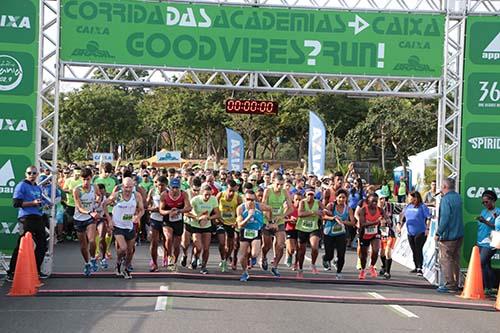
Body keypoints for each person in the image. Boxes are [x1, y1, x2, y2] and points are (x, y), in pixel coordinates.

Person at [7, 166, 49, 281]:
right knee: (21, 245)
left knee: (42, 245)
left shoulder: (37, 187)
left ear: (37, 174)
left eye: (34, 173)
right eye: (29, 173)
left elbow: (39, 202)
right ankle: (11, 272)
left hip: (38, 218)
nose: (32, 175)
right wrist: (32, 203)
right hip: (26, 218)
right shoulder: (21, 185)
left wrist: (44, 205)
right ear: (26, 174)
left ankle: (35, 271)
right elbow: (16, 203)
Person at [103, 177, 144, 279]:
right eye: (126, 187)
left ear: (133, 187)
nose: (128, 190)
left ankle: (126, 268)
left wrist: (137, 217)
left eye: (130, 187)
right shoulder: (118, 195)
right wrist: (109, 219)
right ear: (122, 186)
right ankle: (118, 262)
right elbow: (104, 204)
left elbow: (142, 210)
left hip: (129, 225)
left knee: (130, 250)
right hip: (118, 225)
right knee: (123, 247)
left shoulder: (136, 196)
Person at [435, 178, 464, 293]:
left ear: (445, 186)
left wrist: (438, 232)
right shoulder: (457, 197)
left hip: (448, 235)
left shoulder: (446, 200)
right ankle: (455, 282)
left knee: (446, 259)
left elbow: (445, 218)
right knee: (455, 259)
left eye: (441, 186)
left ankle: (449, 284)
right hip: (459, 233)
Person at [262, 175, 293, 277]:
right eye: (277, 184)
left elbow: (290, 208)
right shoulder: (268, 191)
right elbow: (263, 206)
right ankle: (264, 257)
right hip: (267, 220)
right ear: (273, 182)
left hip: (278, 222)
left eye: (281, 185)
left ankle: (275, 266)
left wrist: (281, 216)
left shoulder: (285, 192)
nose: (279, 187)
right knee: (267, 245)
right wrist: (270, 221)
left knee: (280, 245)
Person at [236, 190, 271, 282]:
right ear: (244, 199)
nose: (250, 202)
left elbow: (270, 209)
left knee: (254, 253)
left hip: (256, 231)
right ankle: (245, 272)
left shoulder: (259, 206)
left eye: (252, 199)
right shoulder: (241, 208)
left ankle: (254, 257)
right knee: (242, 257)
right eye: (248, 199)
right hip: (245, 231)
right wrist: (248, 216)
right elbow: (240, 224)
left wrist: (270, 221)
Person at [185, 185, 221, 274]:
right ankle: (196, 257)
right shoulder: (195, 200)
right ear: (201, 193)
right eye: (206, 195)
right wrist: (196, 217)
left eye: (209, 194)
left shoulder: (213, 199)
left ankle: (204, 267)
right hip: (195, 225)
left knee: (206, 248)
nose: (208, 197)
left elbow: (218, 214)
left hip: (207, 226)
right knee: (198, 247)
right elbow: (186, 212)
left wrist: (208, 218)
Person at [73, 168, 101, 276]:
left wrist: (98, 199)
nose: (86, 182)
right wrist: (90, 212)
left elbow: (99, 195)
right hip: (79, 218)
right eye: (84, 179)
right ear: (81, 179)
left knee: (92, 240)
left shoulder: (94, 187)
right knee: (83, 245)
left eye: (88, 179)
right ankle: (87, 263)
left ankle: (93, 258)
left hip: (90, 218)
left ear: (91, 178)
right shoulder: (77, 190)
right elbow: (79, 207)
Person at [322, 189, 355, 279]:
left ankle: (339, 272)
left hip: (340, 233)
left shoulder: (348, 209)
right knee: (330, 255)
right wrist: (333, 218)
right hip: (329, 233)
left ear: (346, 199)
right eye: (340, 197)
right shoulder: (331, 206)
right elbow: (323, 216)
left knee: (341, 254)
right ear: (336, 198)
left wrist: (342, 222)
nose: (341, 199)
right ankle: (325, 258)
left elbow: (352, 222)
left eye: (343, 197)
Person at [159, 177, 191, 271]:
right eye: (173, 187)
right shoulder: (164, 195)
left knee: (177, 246)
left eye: (177, 187)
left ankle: (174, 261)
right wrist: (169, 212)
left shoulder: (183, 194)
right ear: (169, 187)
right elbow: (161, 210)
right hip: (167, 220)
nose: (175, 190)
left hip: (178, 220)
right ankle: (169, 257)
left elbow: (188, 207)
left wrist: (178, 211)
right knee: (168, 238)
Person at [398, 191, 431, 276]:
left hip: (420, 231)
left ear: (415, 198)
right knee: (413, 249)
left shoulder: (422, 207)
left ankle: (420, 267)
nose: (408, 199)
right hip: (410, 231)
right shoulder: (408, 206)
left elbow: (428, 218)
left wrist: (427, 228)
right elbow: (402, 215)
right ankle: (416, 266)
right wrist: (399, 224)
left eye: (410, 197)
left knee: (418, 249)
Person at [296, 186, 326, 277]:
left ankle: (313, 264)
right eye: (308, 195)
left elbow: (325, 210)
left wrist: (324, 212)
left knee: (315, 247)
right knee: (302, 251)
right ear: (305, 195)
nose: (310, 197)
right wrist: (314, 212)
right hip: (302, 228)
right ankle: (300, 269)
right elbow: (300, 214)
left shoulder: (318, 202)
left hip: (314, 228)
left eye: (312, 195)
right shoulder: (302, 202)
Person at [357, 192, 387, 279]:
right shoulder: (363, 210)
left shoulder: (380, 210)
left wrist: (387, 220)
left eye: (376, 201)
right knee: (363, 255)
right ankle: (363, 270)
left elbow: (385, 217)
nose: (374, 203)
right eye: (372, 201)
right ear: (367, 201)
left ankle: (372, 266)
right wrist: (376, 222)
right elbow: (362, 224)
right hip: (364, 234)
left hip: (375, 233)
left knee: (376, 250)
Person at [476, 190, 500, 296]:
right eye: (483, 202)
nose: (485, 204)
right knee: (486, 265)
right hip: (481, 241)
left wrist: (485, 221)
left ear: (493, 201)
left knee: (481, 262)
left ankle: (490, 286)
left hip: (491, 242)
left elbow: (496, 227)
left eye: (487, 202)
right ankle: (489, 287)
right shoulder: (483, 211)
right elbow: (481, 227)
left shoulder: (498, 212)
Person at [216, 180, 242, 272]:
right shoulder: (220, 195)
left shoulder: (238, 197)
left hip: (232, 223)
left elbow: (241, 211)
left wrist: (237, 221)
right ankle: (223, 259)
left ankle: (226, 259)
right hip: (221, 222)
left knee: (231, 245)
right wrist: (217, 218)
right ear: (227, 188)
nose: (231, 193)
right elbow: (214, 207)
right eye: (230, 190)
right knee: (222, 243)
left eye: (233, 191)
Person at [146, 176, 168, 272]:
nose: (160, 187)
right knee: (154, 241)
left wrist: (162, 209)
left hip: (166, 219)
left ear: (166, 185)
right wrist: (151, 209)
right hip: (155, 218)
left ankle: (166, 257)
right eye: (158, 185)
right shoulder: (152, 191)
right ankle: (154, 263)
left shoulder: (169, 192)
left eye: (162, 185)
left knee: (166, 241)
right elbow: (146, 204)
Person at [377, 190, 396, 279]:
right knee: (382, 253)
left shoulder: (390, 206)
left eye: (384, 198)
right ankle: (384, 266)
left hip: (389, 232)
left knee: (388, 251)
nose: (382, 200)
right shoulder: (373, 209)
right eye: (380, 198)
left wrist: (399, 222)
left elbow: (403, 212)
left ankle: (387, 272)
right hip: (379, 232)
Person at [285, 193, 301, 270]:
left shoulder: (303, 208)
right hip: (290, 229)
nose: (298, 201)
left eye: (300, 200)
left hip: (300, 229)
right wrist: (289, 220)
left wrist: (299, 221)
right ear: (293, 200)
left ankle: (296, 264)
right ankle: (289, 255)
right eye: (296, 199)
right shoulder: (289, 208)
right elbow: (282, 218)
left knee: (298, 249)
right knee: (291, 249)